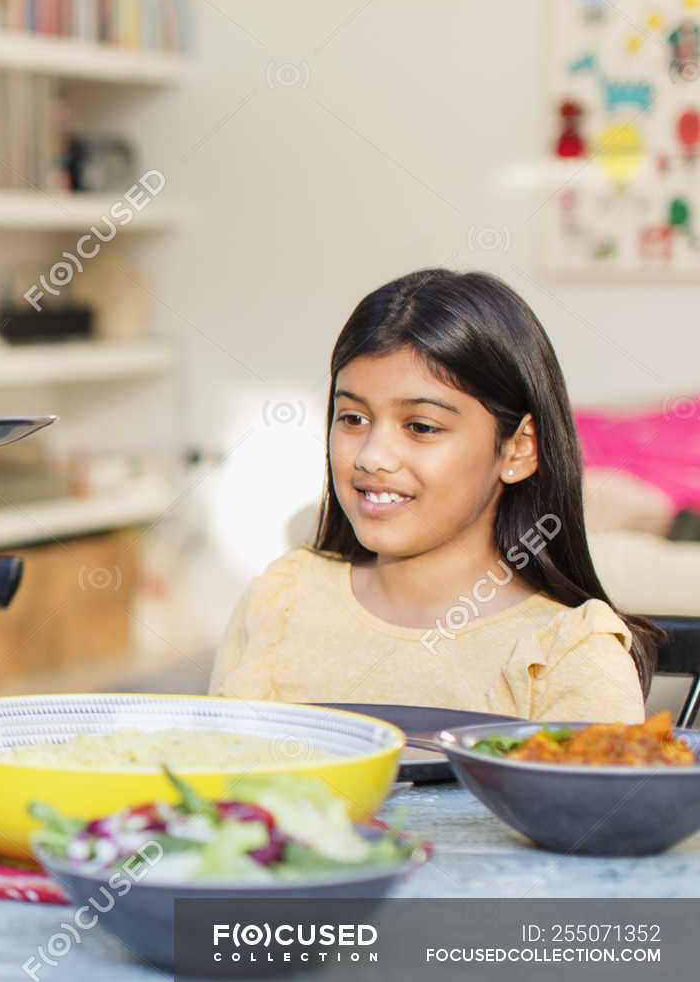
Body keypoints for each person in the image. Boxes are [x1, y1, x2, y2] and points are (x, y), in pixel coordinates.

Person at [209, 269, 653, 721]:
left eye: (421, 427)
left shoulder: (566, 654)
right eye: (353, 419)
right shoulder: (278, 599)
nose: (372, 457)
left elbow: (599, 793)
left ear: (518, 449)